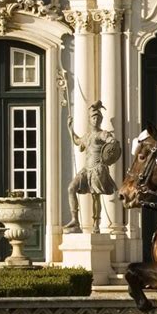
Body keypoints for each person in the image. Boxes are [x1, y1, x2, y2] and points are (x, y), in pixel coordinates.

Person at [64, 100, 120, 234]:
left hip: (97, 168)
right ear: (89, 120)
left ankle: (96, 224)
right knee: (71, 187)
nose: (95, 120)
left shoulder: (102, 134)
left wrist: (112, 144)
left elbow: (113, 143)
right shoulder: (88, 135)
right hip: (86, 169)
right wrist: (70, 129)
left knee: (96, 196)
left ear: (100, 120)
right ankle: (75, 221)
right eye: (93, 118)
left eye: (98, 118)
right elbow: (77, 142)